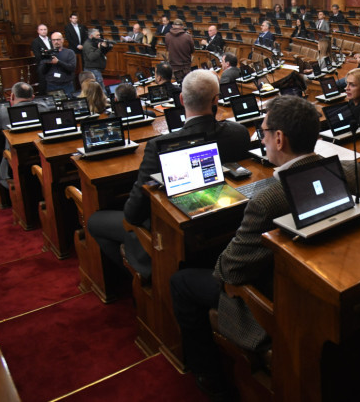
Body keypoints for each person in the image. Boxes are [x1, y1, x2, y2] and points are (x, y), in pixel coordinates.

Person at [169, 95, 360, 396]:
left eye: (264, 132)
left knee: (181, 280)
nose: (262, 139)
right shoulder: (352, 171)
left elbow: (229, 272)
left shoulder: (267, 200)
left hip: (278, 301)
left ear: (280, 138)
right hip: (332, 276)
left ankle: (208, 375)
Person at [87, 70, 251, 282]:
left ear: (181, 99)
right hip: (226, 227)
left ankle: (140, 276)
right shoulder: (239, 132)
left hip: (174, 232)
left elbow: (133, 214)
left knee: (94, 221)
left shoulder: (159, 146)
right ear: (216, 100)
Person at [0, 82, 53, 188]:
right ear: (33, 97)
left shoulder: (4, 112)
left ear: (12, 96)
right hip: (42, 155)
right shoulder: (44, 108)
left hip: (16, 159)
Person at [41, 32, 77, 97]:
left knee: (69, 102)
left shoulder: (69, 52)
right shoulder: (48, 53)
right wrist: (47, 63)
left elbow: (72, 68)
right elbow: (42, 71)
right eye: (54, 40)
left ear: (62, 40)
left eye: (58, 39)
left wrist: (58, 62)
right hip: (52, 85)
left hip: (66, 85)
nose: (56, 42)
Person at [165, 18, 195, 83]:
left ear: (173, 26)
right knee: (186, 86)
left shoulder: (167, 36)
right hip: (185, 67)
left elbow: (167, 49)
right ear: (182, 27)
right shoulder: (187, 36)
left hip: (173, 67)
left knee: (175, 86)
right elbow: (192, 50)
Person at [30, 24, 52, 94]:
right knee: (44, 86)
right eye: (41, 30)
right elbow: (38, 56)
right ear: (38, 31)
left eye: (45, 29)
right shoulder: (36, 41)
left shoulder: (51, 39)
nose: (43, 31)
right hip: (43, 66)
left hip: (53, 65)